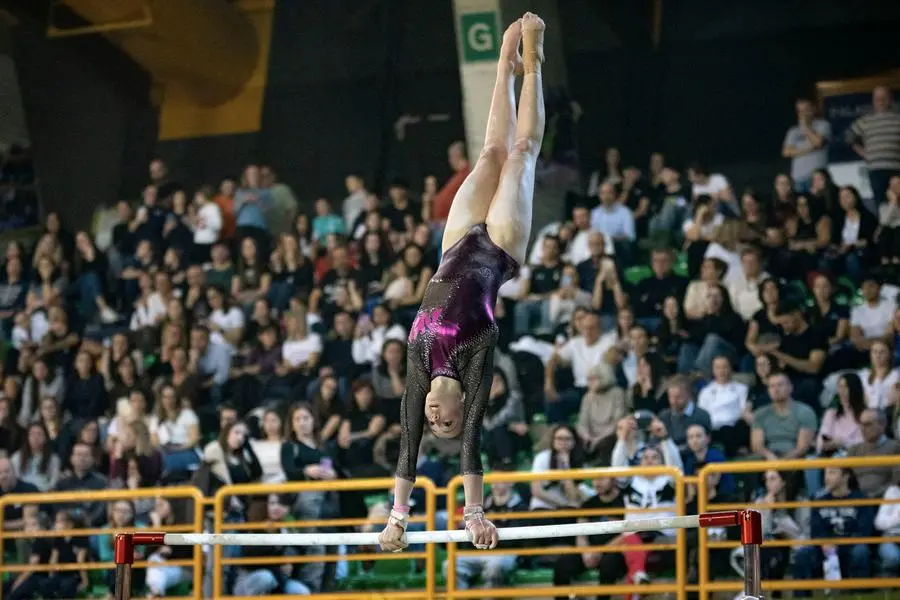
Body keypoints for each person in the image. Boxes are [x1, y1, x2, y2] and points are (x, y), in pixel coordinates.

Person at [379, 12, 546, 553]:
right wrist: (475, 515)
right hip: (499, 248)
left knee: (488, 153)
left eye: (437, 426)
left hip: (453, 245)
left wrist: (396, 521)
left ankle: (504, 63)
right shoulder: (478, 364)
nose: (436, 420)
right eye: (445, 424)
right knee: (518, 154)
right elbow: (473, 445)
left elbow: (408, 451)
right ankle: (531, 62)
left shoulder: (419, 370)